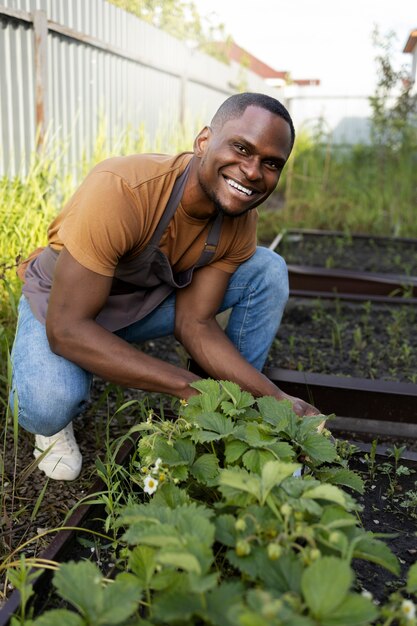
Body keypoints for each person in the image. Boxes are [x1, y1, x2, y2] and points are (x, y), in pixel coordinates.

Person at [10, 92, 319, 481]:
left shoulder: (239, 216)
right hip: (64, 306)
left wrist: (276, 399)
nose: (253, 172)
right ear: (204, 141)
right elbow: (67, 329)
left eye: (271, 163)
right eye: (242, 148)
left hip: (142, 300)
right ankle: (58, 420)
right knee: (47, 405)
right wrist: (186, 385)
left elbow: (196, 323)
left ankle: (226, 414)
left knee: (266, 269)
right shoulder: (123, 189)